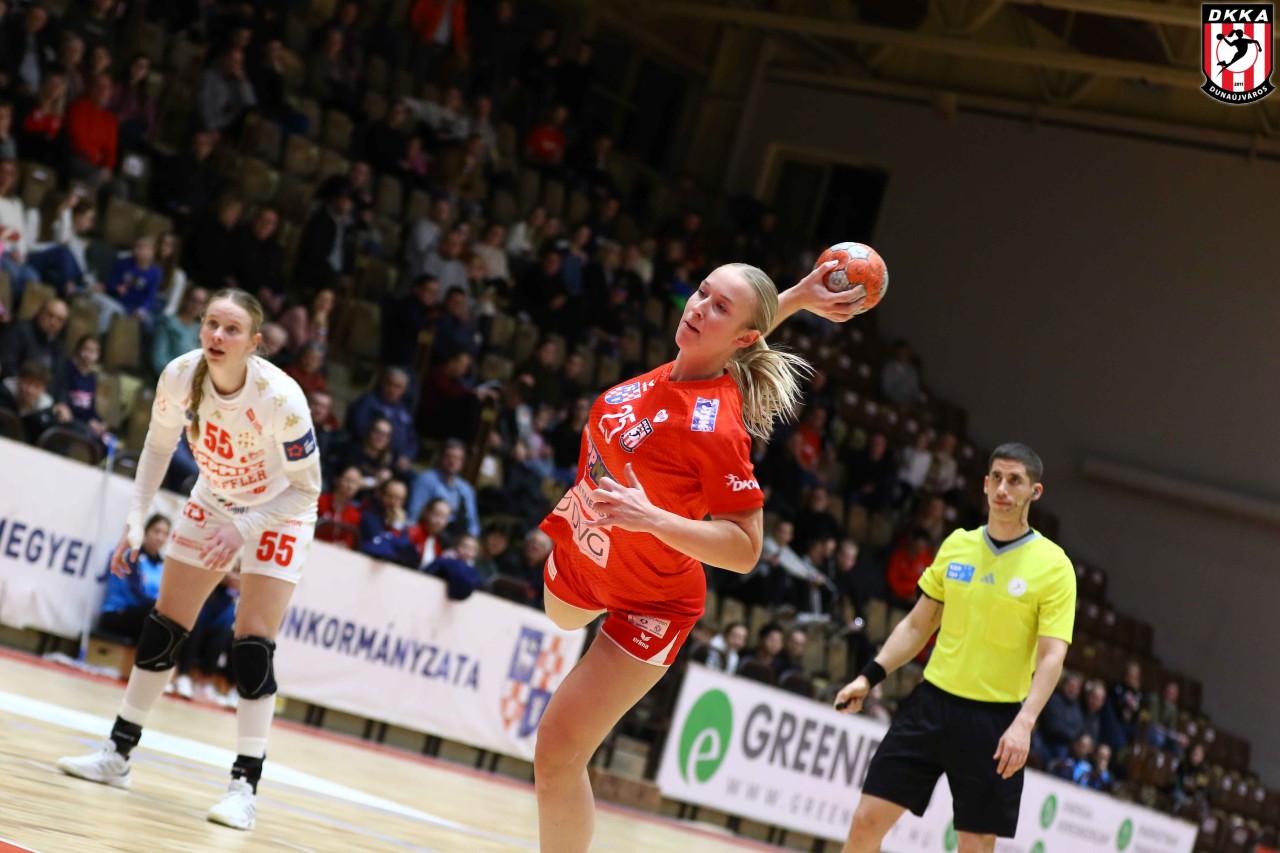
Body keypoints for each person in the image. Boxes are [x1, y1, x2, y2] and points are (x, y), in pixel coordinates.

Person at [533, 258, 864, 852]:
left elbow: (746, 549)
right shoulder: (681, 367)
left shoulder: (717, 426)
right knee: (559, 616)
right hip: (586, 555)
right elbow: (733, 336)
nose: (697, 308)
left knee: (557, 754)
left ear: (741, 336)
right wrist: (796, 295)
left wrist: (652, 518)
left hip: (653, 600)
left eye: (718, 306)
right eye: (702, 293)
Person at [57, 288, 321, 832]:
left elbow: (307, 489)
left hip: (280, 511)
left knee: (252, 645)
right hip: (214, 499)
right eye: (211, 324)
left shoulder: (282, 399)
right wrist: (136, 519)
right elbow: (157, 446)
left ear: (254, 343)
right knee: (165, 624)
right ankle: (117, 754)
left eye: (231, 329)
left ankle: (244, 787)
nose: (217, 336)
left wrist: (243, 529)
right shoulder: (180, 374)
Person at [835, 443, 1076, 853]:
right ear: (984, 484)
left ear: (1034, 492)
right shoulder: (957, 544)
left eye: (1014, 480)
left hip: (996, 721)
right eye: (996, 478)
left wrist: (1025, 723)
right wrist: (868, 677)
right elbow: (918, 624)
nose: (1003, 489)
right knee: (865, 822)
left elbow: (1053, 655)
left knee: (975, 847)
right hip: (931, 705)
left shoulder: (1054, 566)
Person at [98, 514, 171, 642]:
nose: (160, 537)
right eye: (156, 531)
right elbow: (135, 594)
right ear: (146, 532)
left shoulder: (162, 566)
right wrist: (160, 606)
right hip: (118, 613)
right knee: (155, 616)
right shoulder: (131, 557)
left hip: (142, 614)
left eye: (164, 534)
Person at [407, 438, 480, 537]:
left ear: (463, 462)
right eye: (449, 457)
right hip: (431, 533)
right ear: (440, 458)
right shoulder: (426, 480)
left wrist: (470, 540)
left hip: (457, 538)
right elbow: (414, 514)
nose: (452, 462)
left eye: (457, 458)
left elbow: (473, 524)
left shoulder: (466, 489)